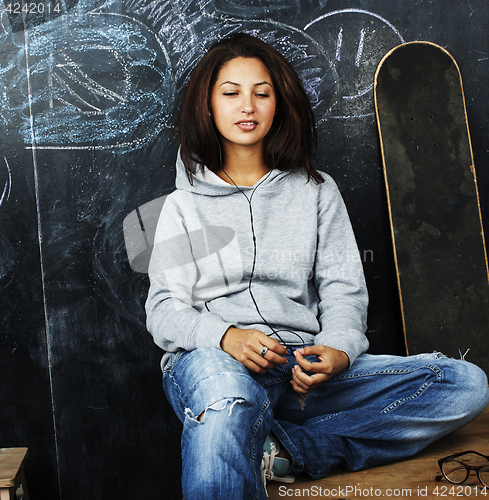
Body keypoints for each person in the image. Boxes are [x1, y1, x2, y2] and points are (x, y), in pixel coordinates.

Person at [145, 33, 489, 499]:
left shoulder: (317, 191)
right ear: (207, 106)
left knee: (463, 383)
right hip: (216, 365)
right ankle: (253, 428)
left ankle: (285, 450)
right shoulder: (181, 206)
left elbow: (344, 292)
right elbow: (164, 310)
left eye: (261, 93)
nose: (247, 105)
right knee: (228, 399)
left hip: (300, 370)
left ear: (278, 105)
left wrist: (338, 350)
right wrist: (225, 336)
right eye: (231, 93)